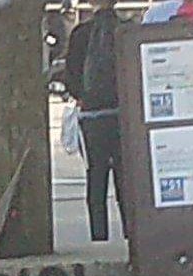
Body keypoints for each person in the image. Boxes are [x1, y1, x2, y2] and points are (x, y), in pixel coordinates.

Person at [65, 0, 127, 242]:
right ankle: (130, 230)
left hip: (92, 116)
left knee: (96, 175)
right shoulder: (126, 30)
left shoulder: (80, 34)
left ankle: (99, 234)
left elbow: (71, 76)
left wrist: (82, 97)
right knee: (125, 177)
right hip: (122, 114)